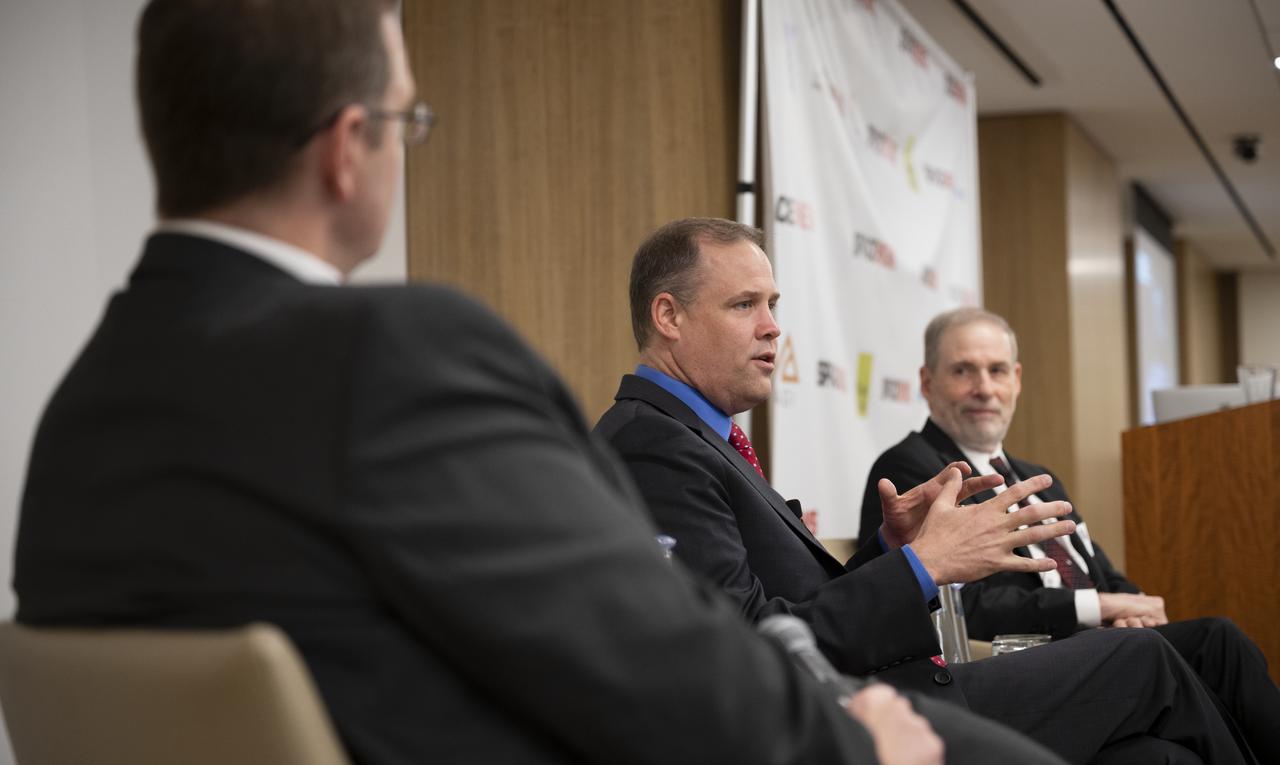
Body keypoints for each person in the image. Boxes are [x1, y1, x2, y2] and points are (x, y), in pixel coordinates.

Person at [10, 2, 955, 763]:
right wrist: (846, 739)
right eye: (406, 120)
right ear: (348, 147)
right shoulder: (399, 354)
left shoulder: (76, 415)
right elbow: (644, 653)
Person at [595, 216, 1255, 765]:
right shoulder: (655, 444)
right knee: (1143, 660)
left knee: (1160, 758)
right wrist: (921, 566)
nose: (772, 327)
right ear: (669, 316)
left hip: (889, 689)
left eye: (774, 305)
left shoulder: (698, 434)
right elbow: (750, 653)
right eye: (745, 305)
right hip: (857, 722)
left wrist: (889, 548)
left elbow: (791, 609)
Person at [859, 306, 1280, 762]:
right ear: (926, 382)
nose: (984, 388)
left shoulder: (1037, 475)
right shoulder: (914, 468)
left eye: (997, 370)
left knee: (1192, 701)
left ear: (1016, 379)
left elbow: (1098, 570)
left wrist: (1128, 608)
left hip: (1102, 647)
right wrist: (1098, 608)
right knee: (1216, 645)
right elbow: (961, 605)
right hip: (1032, 658)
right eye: (963, 371)